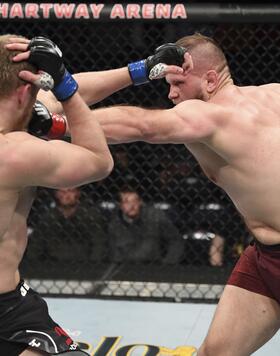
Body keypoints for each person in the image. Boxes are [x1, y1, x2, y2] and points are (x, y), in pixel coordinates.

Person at [17, 34, 280, 354]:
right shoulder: (272, 94)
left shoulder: (209, 115)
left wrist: (56, 126)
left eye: (177, 84)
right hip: (265, 256)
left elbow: (141, 125)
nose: (170, 94)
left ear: (211, 79)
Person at [0, 35, 113, 356]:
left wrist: (138, 71)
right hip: (6, 311)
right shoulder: (14, 152)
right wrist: (62, 84)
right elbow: (99, 161)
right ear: (25, 92)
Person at [26, 187, 108, 274]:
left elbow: (99, 243)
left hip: (83, 266)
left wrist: (92, 266)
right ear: (56, 194)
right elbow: (36, 245)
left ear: (78, 193)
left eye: (70, 191)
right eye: (62, 191)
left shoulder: (90, 216)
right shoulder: (48, 217)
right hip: (52, 266)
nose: (66, 195)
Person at [108, 186, 184, 264]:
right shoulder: (115, 223)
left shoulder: (155, 217)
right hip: (125, 267)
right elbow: (114, 251)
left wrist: (168, 263)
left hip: (152, 266)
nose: (132, 206)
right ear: (120, 205)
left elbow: (175, 240)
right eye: (127, 202)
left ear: (140, 202)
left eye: (135, 201)